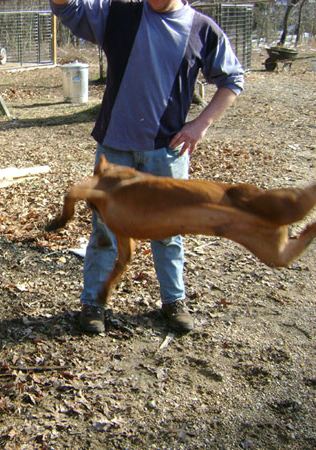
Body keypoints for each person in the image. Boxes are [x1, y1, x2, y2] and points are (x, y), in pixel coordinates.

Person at [50, 0, 245, 333]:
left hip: (165, 153)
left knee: (168, 231)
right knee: (105, 231)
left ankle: (173, 301)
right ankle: (93, 304)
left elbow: (232, 79)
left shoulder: (201, 29)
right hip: (114, 153)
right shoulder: (119, 14)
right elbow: (69, 8)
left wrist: (200, 125)